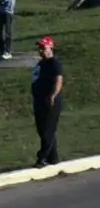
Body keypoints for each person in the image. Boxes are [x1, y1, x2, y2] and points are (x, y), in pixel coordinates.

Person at [32, 35, 64, 168]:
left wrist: (53, 95)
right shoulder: (41, 64)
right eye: (40, 48)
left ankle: (42, 158)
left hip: (50, 100)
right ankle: (53, 157)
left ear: (51, 48)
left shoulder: (54, 63)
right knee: (42, 130)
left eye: (43, 48)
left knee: (48, 131)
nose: (41, 51)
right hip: (39, 100)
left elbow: (58, 80)